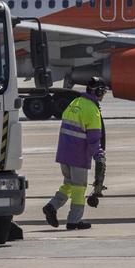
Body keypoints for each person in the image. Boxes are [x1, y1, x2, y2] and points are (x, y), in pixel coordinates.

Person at [43, 77, 107, 231]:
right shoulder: (92, 110)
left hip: (64, 154)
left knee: (69, 184)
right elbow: (93, 139)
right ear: (97, 91)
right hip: (78, 155)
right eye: (102, 92)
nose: (103, 95)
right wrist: (99, 156)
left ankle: (52, 206)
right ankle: (74, 221)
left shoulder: (74, 103)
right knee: (79, 187)